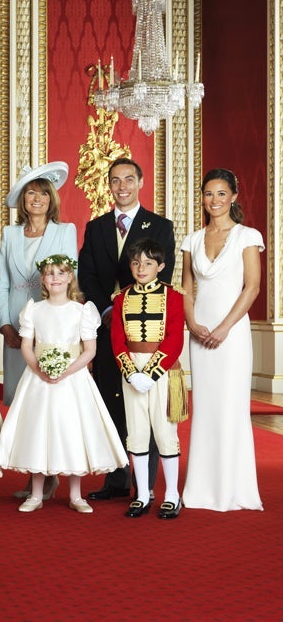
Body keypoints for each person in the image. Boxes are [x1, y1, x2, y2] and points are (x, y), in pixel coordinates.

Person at [0, 255, 127, 514]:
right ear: (42, 279)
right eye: (50, 273)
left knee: (71, 432)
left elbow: (89, 350)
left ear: (69, 279)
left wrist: (66, 371)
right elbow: (27, 347)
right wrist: (39, 369)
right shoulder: (34, 309)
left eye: (61, 273)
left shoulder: (81, 310)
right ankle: (37, 493)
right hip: (39, 379)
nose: (55, 278)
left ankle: (76, 494)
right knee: (38, 431)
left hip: (72, 380)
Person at [77, 157, 173, 502]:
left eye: (129, 179)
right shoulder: (96, 226)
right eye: (115, 180)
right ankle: (117, 479)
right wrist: (106, 309)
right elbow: (85, 273)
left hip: (144, 331)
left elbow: (164, 274)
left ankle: (144, 484)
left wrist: (126, 311)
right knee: (111, 401)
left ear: (140, 182)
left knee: (143, 402)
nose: (122, 186)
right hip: (106, 329)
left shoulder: (160, 226)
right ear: (109, 185)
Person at [181, 169, 264, 512]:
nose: (213, 201)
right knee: (206, 408)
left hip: (232, 335)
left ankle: (233, 488)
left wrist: (225, 327)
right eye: (207, 194)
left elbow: (252, 287)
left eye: (220, 194)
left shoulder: (247, 236)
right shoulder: (192, 240)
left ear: (233, 196)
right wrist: (192, 323)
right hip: (200, 333)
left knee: (231, 407)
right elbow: (186, 288)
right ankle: (200, 488)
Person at [0, 163, 76, 500]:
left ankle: (52, 472)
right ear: (22, 199)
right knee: (22, 402)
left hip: (51, 325)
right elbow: (1, 283)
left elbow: (69, 276)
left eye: (43, 193)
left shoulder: (65, 231)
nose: (37, 199)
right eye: (31, 193)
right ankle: (35, 476)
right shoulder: (9, 234)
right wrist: (4, 324)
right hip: (16, 325)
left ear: (51, 198)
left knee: (51, 400)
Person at [111, 238, 186, 519]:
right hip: (131, 370)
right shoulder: (121, 298)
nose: (141, 268)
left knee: (166, 435)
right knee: (137, 433)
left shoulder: (174, 296)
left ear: (161, 266)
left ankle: (172, 496)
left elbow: (175, 338)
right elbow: (118, 339)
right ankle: (142, 495)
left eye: (148, 263)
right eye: (136, 262)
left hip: (163, 371)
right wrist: (131, 373)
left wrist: (151, 373)